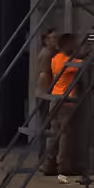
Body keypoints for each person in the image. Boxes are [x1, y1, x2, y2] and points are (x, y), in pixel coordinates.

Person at [43, 33, 87, 183]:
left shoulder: (56, 58)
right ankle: (63, 167)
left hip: (54, 99)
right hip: (65, 101)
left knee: (54, 133)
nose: (75, 46)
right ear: (67, 45)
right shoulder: (68, 62)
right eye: (73, 43)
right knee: (65, 134)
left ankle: (49, 164)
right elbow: (82, 64)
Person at [33, 27, 59, 173]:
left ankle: (46, 158)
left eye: (56, 38)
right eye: (51, 38)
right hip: (45, 95)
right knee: (46, 126)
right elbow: (44, 75)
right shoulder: (47, 54)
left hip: (45, 94)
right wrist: (50, 91)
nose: (54, 41)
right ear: (46, 40)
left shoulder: (53, 53)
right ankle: (44, 159)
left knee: (46, 126)